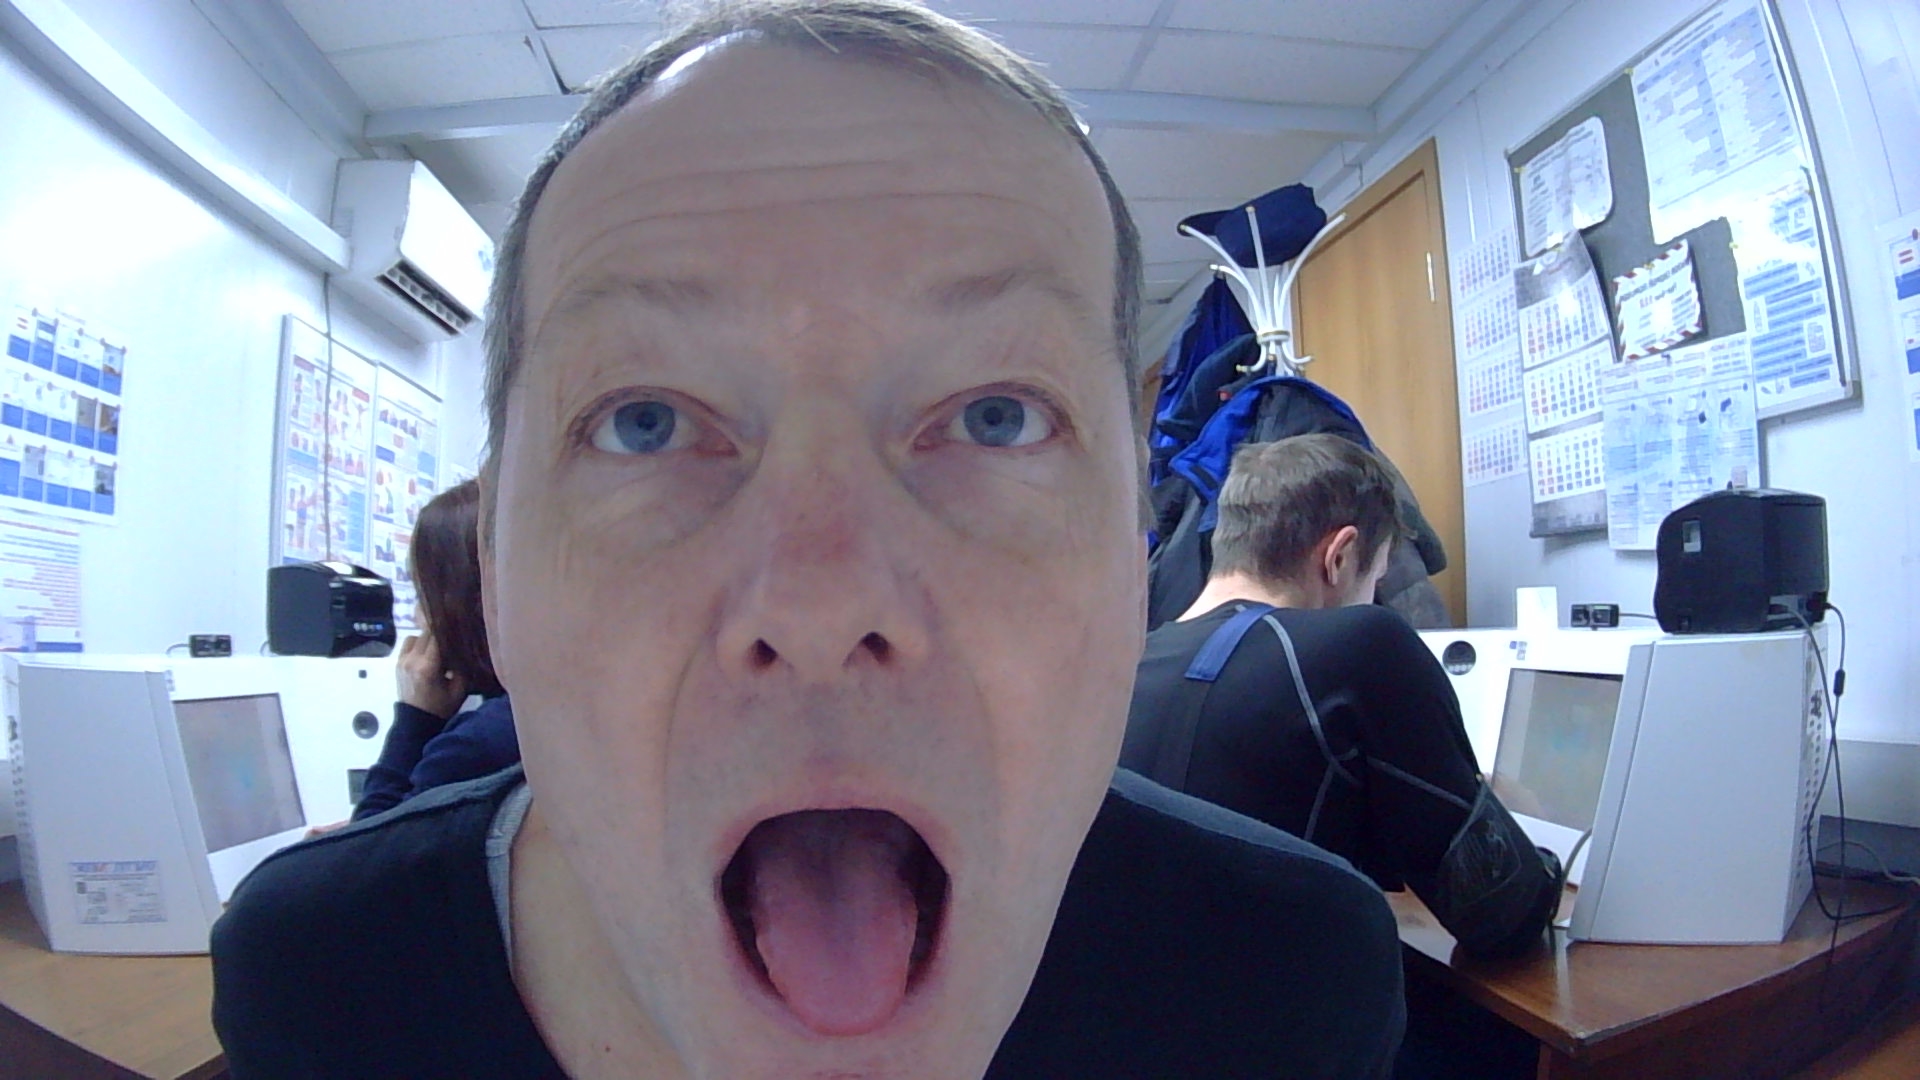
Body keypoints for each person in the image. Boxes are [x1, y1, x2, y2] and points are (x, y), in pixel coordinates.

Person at [209, 3, 1406, 1077]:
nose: (823, 606)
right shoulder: (322, 983)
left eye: (997, 416)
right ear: (497, 577)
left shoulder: (1286, 983)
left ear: (1136, 552)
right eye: (643, 421)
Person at [1122, 434, 1563, 959]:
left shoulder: (1131, 663)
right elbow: (1501, 914)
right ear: (1340, 556)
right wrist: (1515, 818)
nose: (1374, 599)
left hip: (1129, 994)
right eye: (1376, 579)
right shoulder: (1360, 643)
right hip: (1280, 1004)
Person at [352, 479, 518, 821]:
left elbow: (368, 846)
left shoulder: (477, 745)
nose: (418, 616)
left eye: (422, 595)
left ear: (460, 603)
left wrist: (416, 720)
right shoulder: (533, 713)